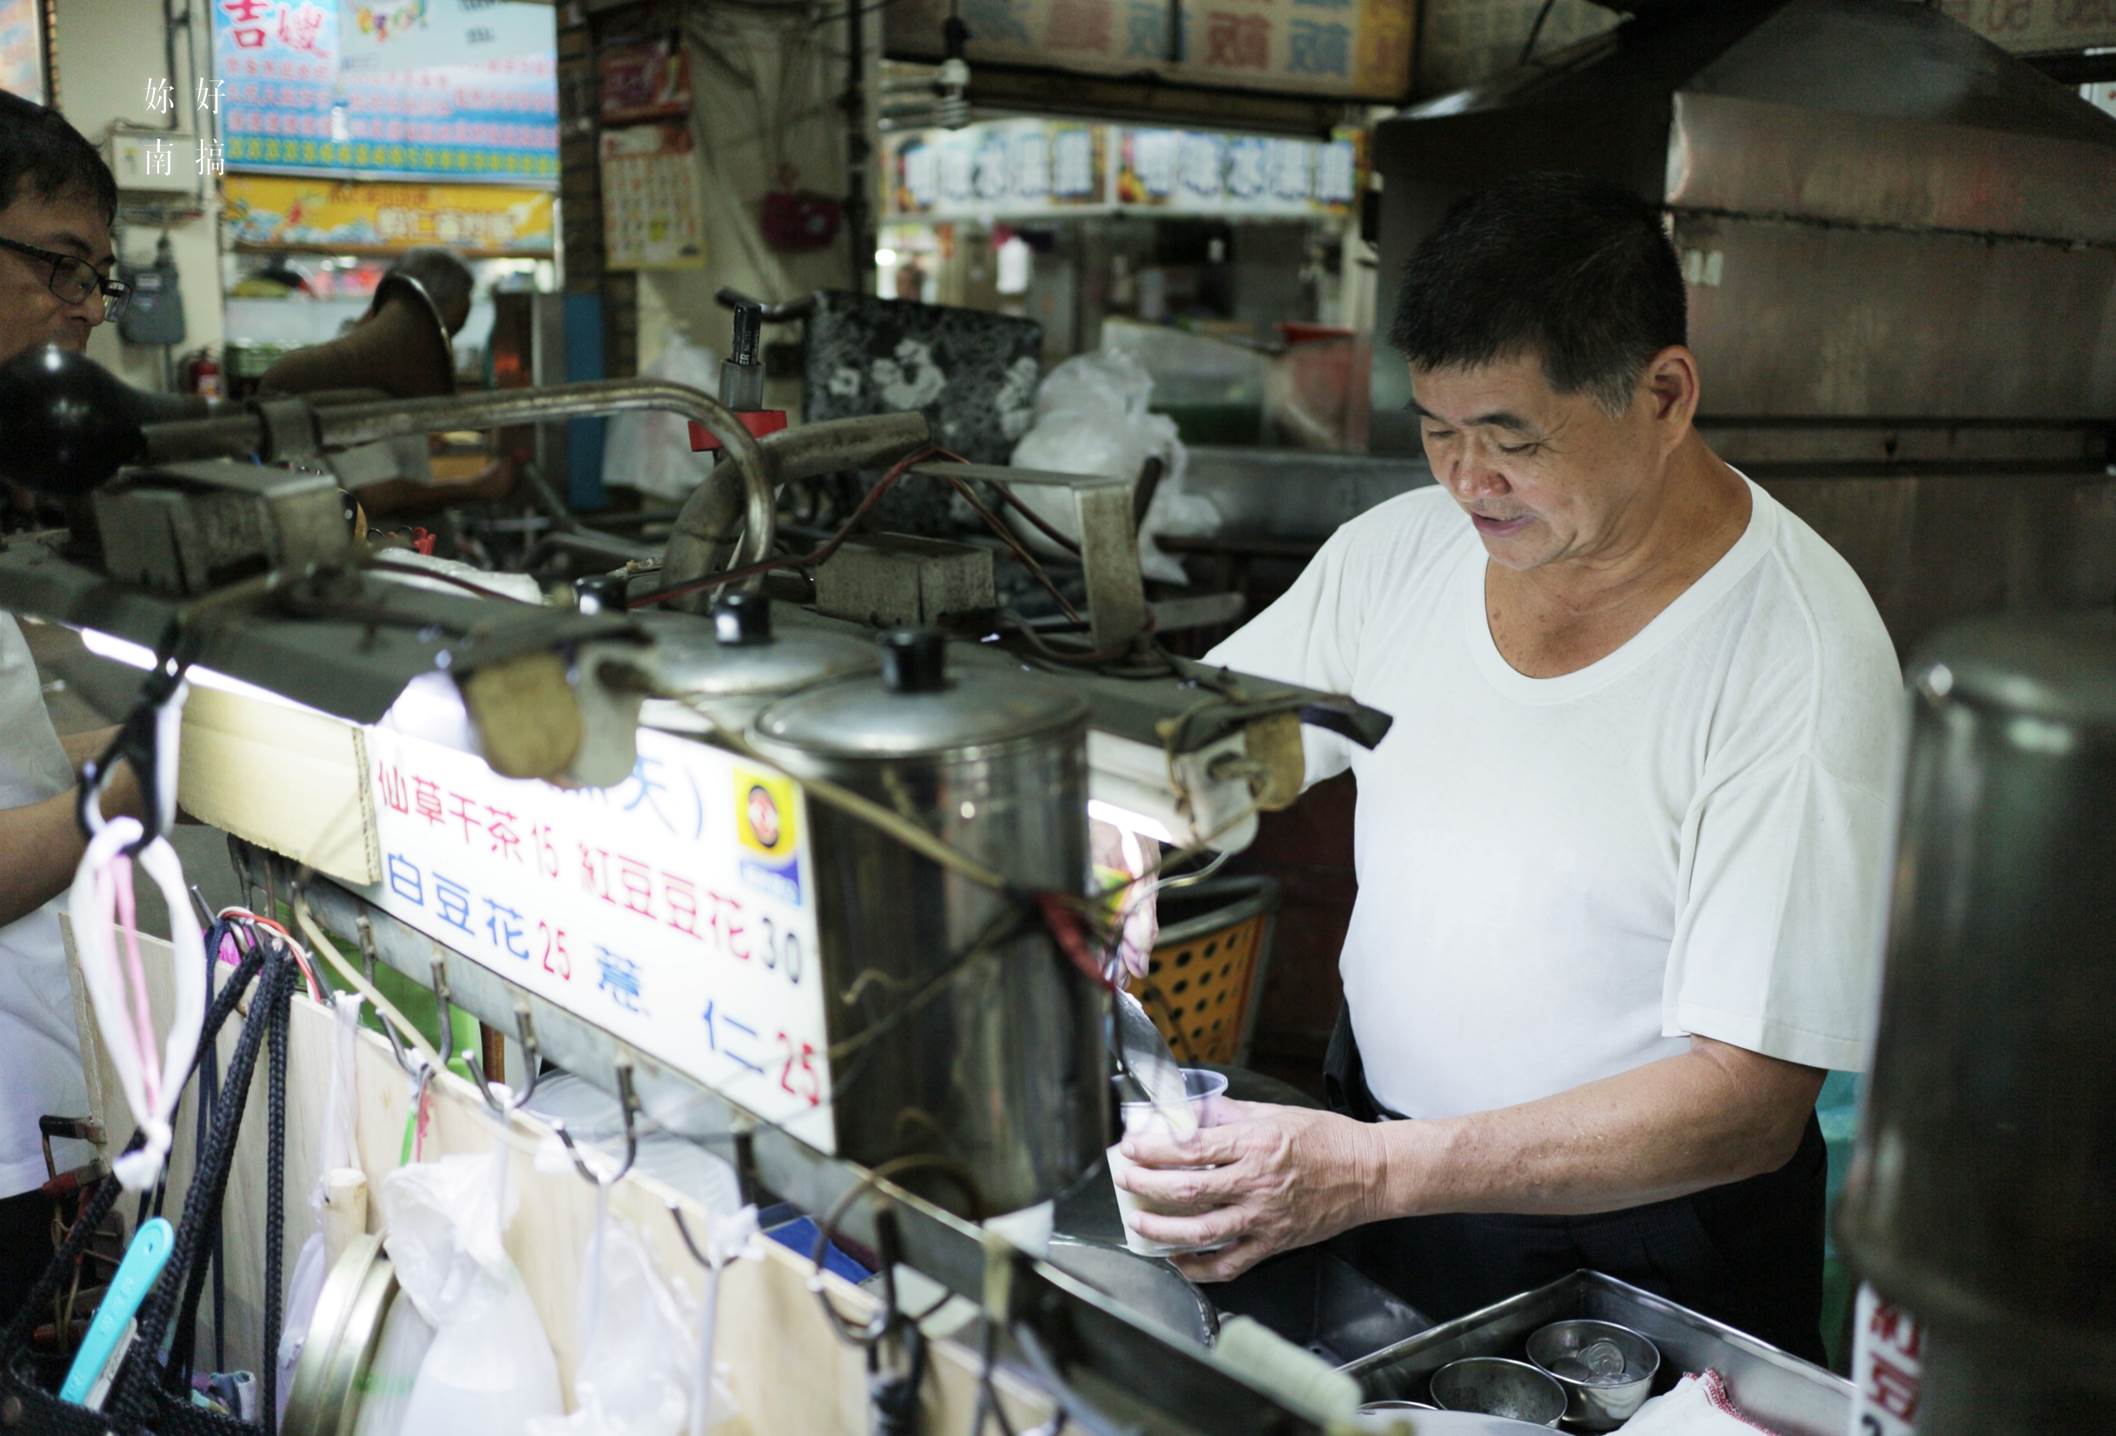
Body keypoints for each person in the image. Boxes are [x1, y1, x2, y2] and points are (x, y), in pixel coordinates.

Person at [1113, 172, 1901, 1362]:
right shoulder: (1394, 558)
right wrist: (1121, 839)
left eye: (1510, 438)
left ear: (1664, 394)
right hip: (1376, 1159)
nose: (1464, 481)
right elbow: (1197, 750)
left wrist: (1375, 1172)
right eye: (1436, 430)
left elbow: (1749, 1100)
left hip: (1643, 1245)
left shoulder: (1795, 652)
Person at [0, 92, 146, 1318]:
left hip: (35, 1118)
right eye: (58, 265)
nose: (88, 309)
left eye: (99, 274)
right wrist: (136, 788)